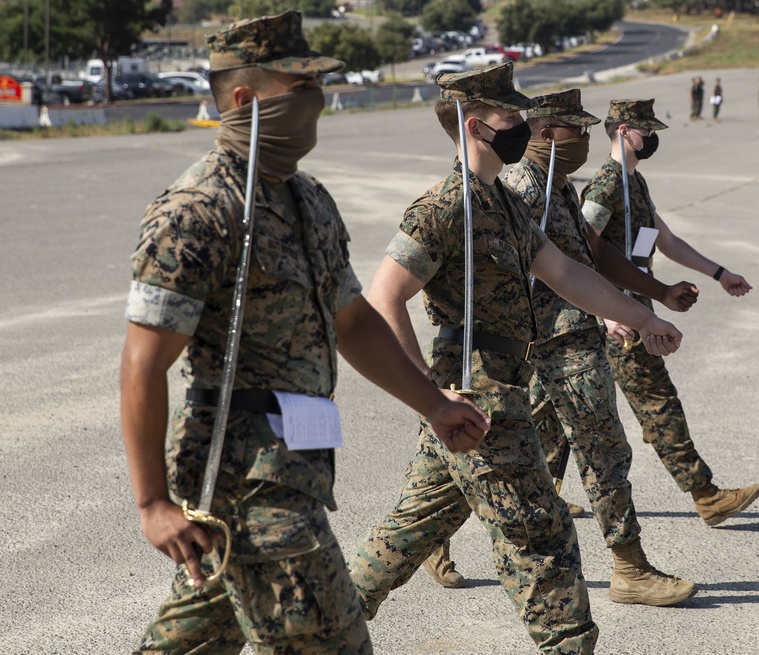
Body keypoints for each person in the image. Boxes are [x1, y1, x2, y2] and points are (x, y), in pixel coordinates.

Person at [119, 12, 488, 655]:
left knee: (201, 632)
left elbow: (351, 320)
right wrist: (153, 502)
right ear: (244, 101)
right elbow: (143, 363)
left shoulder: (306, 198)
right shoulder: (197, 211)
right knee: (332, 640)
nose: (316, 101)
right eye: (299, 86)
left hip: (299, 459)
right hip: (243, 473)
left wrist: (434, 404)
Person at [348, 63, 687, 654]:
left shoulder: (502, 203)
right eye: (511, 117)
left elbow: (566, 273)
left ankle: (318, 631)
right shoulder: (444, 207)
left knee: (409, 531)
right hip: (474, 395)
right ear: (476, 126)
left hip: (497, 387)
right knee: (542, 538)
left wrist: (645, 317)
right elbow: (383, 299)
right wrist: (429, 395)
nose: (523, 124)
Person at [422, 89, 702, 607]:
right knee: (598, 449)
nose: (588, 140)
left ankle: (433, 536)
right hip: (543, 345)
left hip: (565, 340)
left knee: (524, 456)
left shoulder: (559, 185)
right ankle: (630, 567)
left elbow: (589, 257)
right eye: (579, 130)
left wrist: (651, 299)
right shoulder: (520, 188)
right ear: (550, 133)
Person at [580, 98, 759, 529]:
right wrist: (606, 313)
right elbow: (580, 248)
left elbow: (665, 240)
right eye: (647, 130)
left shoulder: (634, 183)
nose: (654, 138)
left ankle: (546, 487)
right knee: (656, 400)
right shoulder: (607, 185)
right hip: (616, 311)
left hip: (633, 300)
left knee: (553, 406)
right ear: (625, 131)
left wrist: (719, 273)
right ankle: (706, 495)